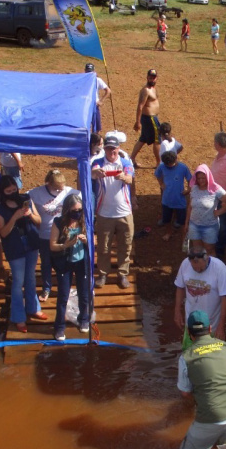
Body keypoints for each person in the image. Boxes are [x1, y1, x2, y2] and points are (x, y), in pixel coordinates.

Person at [177, 310, 226, 449]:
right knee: (222, 448)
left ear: (189, 333)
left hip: (212, 414)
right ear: (210, 329)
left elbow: (185, 393)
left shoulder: (186, 357)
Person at [0, 176, 46, 332]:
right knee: (18, 281)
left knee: (30, 277)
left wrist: (29, 214)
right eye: (8, 191)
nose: (12, 193)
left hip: (31, 242)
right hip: (14, 246)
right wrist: (14, 217)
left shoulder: (26, 199)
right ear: (2, 192)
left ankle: (33, 308)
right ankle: (18, 317)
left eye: (14, 189)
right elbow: (3, 232)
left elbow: (39, 221)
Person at [91, 136, 135, 289]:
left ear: (118, 148)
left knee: (126, 245)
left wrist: (123, 176)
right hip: (104, 213)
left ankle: (122, 273)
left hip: (124, 212)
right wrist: (97, 173)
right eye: (109, 148)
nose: (112, 151)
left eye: (114, 148)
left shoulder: (125, 163)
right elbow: (93, 172)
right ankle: (103, 274)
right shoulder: (98, 162)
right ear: (105, 150)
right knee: (103, 247)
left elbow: (130, 178)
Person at [50, 194, 91, 341]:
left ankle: (84, 318)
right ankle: (60, 327)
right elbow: (52, 246)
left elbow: (94, 243)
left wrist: (87, 241)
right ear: (67, 210)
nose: (77, 213)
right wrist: (66, 244)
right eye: (74, 210)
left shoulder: (84, 221)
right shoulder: (59, 222)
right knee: (63, 296)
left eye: (80, 210)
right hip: (65, 263)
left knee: (84, 294)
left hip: (81, 262)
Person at [31, 169, 75, 302]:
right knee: (46, 263)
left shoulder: (69, 191)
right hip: (44, 235)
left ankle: (64, 288)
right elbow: (24, 198)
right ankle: (46, 287)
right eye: (56, 188)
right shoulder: (36, 193)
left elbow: (84, 197)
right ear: (48, 184)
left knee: (64, 262)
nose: (60, 191)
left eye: (61, 188)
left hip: (62, 235)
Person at [174, 247, 226, 340]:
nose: (198, 270)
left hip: (212, 324)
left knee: (210, 353)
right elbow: (180, 287)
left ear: (207, 259)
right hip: (191, 322)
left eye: (200, 267)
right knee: (189, 352)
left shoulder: (220, 269)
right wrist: (177, 311)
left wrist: (221, 326)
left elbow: (225, 297)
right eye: (194, 267)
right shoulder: (185, 264)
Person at [186, 164, 226, 257]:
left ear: (208, 177)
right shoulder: (194, 188)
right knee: (197, 250)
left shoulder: (215, 188)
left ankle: (211, 268)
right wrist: (186, 223)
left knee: (209, 250)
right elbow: (190, 207)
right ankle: (200, 268)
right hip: (194, 225)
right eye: (199, 178)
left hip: (209, 227)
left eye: (203, 178)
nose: (201, 181)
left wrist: (219, 212)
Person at [154, 150, 191, 241]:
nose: (170, 166)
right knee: (166, 220)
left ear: (176, 159)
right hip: (166, 200)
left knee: (183, 221)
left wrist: (188, 190)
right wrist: (161, 184)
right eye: (168, 164)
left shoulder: (183, 167)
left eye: (171, 164)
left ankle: (184, 237)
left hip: (180, 200)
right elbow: (157, 175)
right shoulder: (162, 167)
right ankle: (168, 233)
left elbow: (190, 179)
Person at [130, 69, 162, 169]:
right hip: (150, 118)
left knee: (143, 139)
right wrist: (137, 121)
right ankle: (159, 163)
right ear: (147, 77)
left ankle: (132, 159)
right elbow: (140, 106)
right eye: (150, 77)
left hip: (152, 118)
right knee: (157, 140)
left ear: (156, 78)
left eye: (154, 77)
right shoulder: (145, 90)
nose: (152, 79)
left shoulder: (154, 88)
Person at [86, 63, 111, 134]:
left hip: (94, 105)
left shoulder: (97, 80)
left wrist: (101, 101)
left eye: (90, 72)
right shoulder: (82, 79)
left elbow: (108, 91)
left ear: (94, 72)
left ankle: (95, 141)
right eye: (88, 72)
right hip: (85, 105)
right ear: (85, 71)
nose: (89, 74)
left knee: (97, 127)